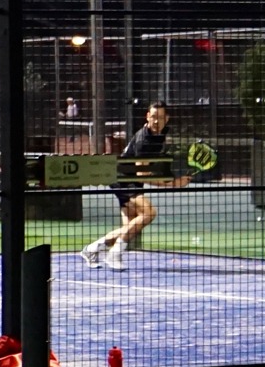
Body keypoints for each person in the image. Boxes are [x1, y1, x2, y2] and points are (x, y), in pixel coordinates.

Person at [80, 102, 189, 271]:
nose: (156, 121)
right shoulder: (144, 140)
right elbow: (142, 175)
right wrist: (173, 184)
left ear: (166, 119)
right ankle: (114, 253)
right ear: (147, 116)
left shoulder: (160, 133)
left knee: (130, 227)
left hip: (129, 179)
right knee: (149, 213)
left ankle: (92, 249)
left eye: (160, 118)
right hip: (124, 179)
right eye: (153, 117)